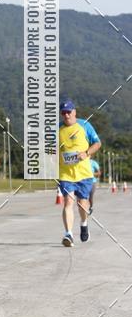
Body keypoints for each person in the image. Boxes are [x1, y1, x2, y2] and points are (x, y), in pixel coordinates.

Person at [57, 98, 101, 246]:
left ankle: (83, 223)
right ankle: (68, 234)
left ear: (74, 112)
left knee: (82, 203)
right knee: (68, 201)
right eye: (63, 113)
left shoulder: (85, 125)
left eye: (69, 112)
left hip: (84, 174)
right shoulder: (57, 129)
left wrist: (86, 153)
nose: (66, 115)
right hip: (65, 174)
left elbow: (97, 143)